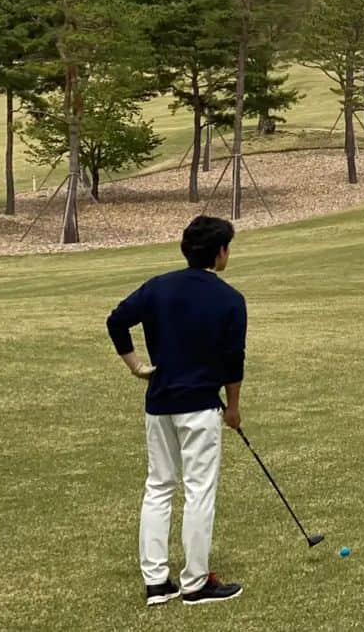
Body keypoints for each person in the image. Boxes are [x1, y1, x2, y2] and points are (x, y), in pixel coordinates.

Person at [106, 215, 247, 607]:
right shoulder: (230, 299)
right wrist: (233, 407)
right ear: (219, 252)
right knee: (199, 490)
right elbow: (233, 361)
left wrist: (136, 366)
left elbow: (116, 321)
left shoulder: (158, 288)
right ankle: (196, 583)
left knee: (159, 486)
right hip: (200, 408)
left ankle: (156, 583)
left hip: (160, 404)